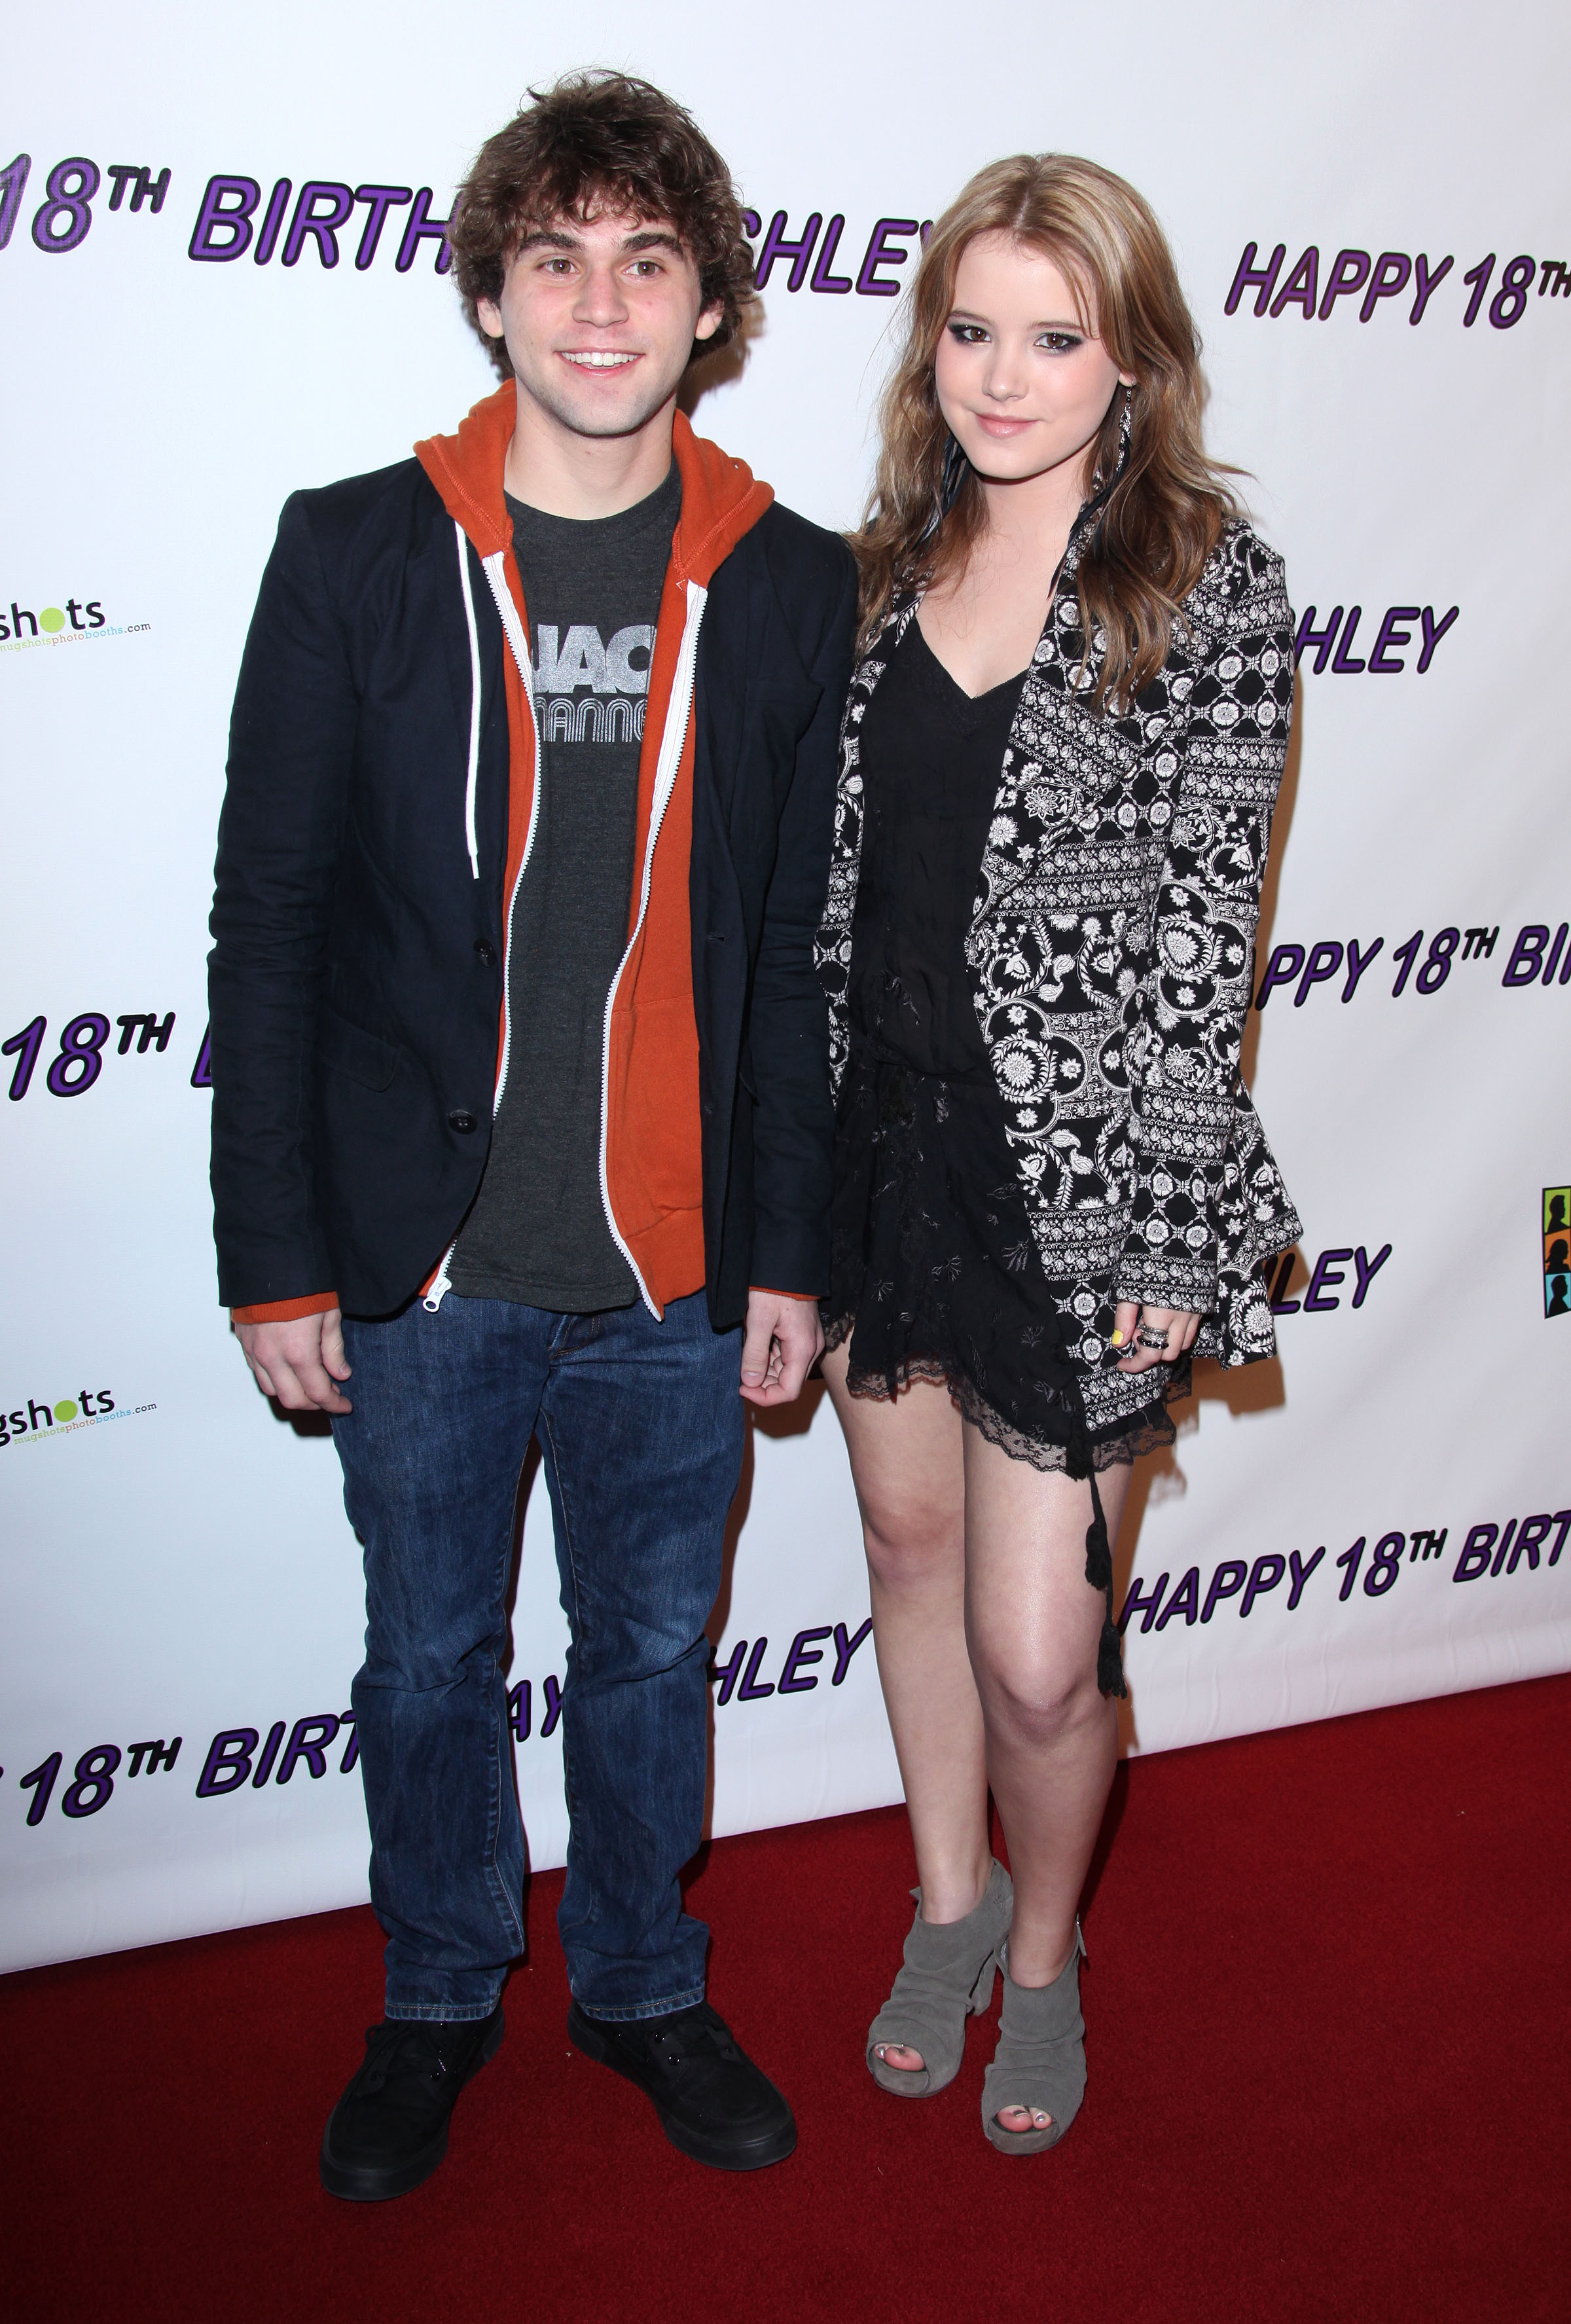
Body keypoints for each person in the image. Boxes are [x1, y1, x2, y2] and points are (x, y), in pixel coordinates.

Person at [209, 71, 856, 2200]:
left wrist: (789, 1247)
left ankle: (645, 1983)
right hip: (431, 1263)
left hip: (674, 1267)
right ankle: (436, 1990)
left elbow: (798, 957)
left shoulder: (791, 582)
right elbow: (270, 924)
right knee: (427, 1658)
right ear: (489, 293)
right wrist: (275, 1256)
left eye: (646, 261)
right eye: (555, 258)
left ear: (710, 305)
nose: (599, 304)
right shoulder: (356, 551)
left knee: (653, 1652)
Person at [814, 154, 1301, 2154]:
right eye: (971, 329)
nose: (1002, 377)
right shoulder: (878, 572)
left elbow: (1211, 936)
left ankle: (1043, 1956)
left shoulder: (1205, 583)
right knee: (907, 1555)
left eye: (1054, 335)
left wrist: (1174, 1227)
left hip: (1088, 1193)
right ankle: (950, 1906)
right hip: (881, 1148)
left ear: (1133, 359)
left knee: (1039, 1652)